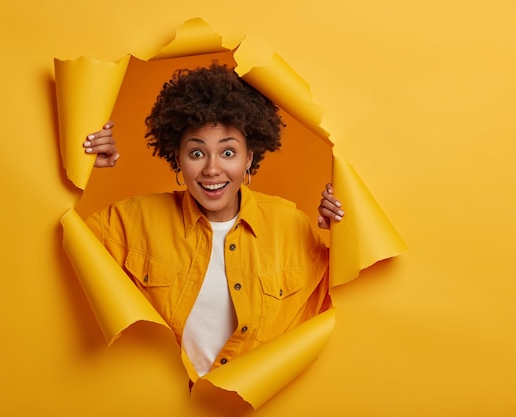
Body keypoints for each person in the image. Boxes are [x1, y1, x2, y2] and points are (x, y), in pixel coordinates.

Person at [82, 63, 345, 380]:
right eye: (196, 153)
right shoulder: (129, 221)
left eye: (228, 152)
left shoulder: (290, 225)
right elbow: (55, 255)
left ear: (248, 158)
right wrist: (82, 171)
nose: (211, 169)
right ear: (177, 157)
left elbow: (344, 305)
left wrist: (344, 235)